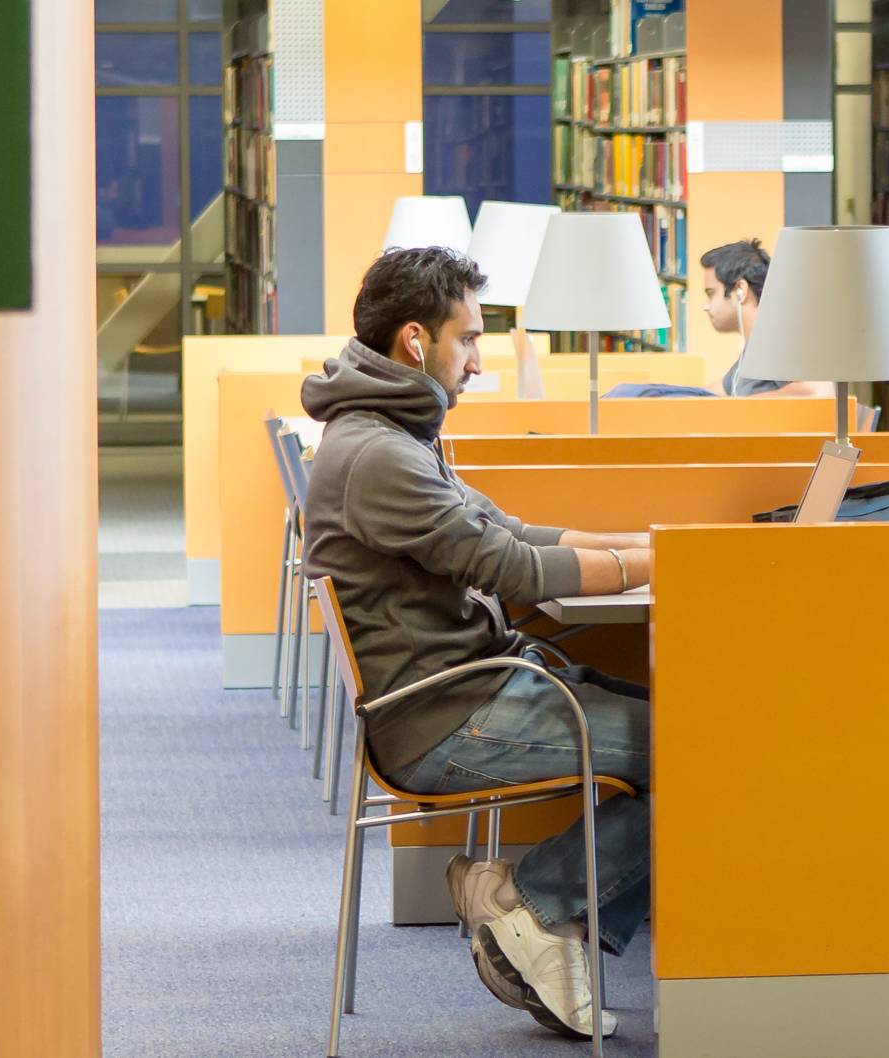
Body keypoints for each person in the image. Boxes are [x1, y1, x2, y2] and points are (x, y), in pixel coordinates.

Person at [301, 246, 653, 1039]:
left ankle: (541, 917)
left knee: (685, 729)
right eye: (471, 340)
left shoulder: (388, 431)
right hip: (444, 719)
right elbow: (513, 568)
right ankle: (534, 907)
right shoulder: (379, 455)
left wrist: (634, 543)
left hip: (471, 687)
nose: (481, 364)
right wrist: (646, 563)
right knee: (698, 752)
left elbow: (506, 528)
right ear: (417, 342)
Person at [698, 238, 834, 399]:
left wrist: (745, 405)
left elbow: (820, 391)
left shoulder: (777, 338)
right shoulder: (755, 348)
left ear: (740, 289)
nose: (705, 306)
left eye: (711, 294)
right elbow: (720, 390)